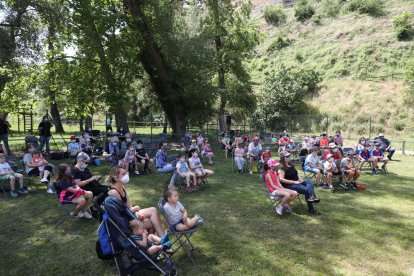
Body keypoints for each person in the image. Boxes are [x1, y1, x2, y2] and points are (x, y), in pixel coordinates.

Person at [107, 166, 165, 236]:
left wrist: (137, 213)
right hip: (124, 222)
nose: (126, 175)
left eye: (126, 173)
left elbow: (129, 207)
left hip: (129, 215)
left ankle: (159, 240)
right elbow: (122, 213)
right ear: (116, 178)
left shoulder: (122, 188)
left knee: (153, 210)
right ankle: (161, 241)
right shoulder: (113, 192)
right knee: (150, 222)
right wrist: (136, 209)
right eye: (123, 174)